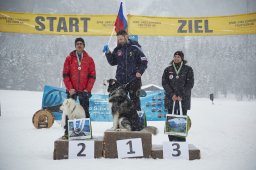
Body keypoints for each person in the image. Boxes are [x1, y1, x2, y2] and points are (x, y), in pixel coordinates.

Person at [102, 30, 147, 111]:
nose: (119, 41)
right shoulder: (117, 49)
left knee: (135, 103)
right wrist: (108, 53)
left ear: (126, 37)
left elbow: (144, 61)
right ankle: (122, 122)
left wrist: (140, 71)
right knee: (120, 104)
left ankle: (136, 122)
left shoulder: (135, 47)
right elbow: (112, 62)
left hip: (134, 80)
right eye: (118, 39)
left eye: (121, 39)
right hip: (121, 81)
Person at [62, 37, 96, 138]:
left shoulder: (89, 59)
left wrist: (87, 89)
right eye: (77, 44)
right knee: (69, 112)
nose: (79, 45)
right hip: (72, 90)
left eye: (81, 43)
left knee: (85, 111)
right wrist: (70, 88)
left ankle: (86, 132)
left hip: (84, 90)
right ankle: (68, 133)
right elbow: (65, 75)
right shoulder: (69, 58)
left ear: (84, 46)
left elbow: (92, 76)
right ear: (75, 46)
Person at [162, 51, 194, 142]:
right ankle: (171, 140)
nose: (176, 58)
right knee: (171, 120)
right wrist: (172, 94)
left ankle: (181, 140)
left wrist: (181, 95)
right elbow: (165, 83)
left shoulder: (188, 69)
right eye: (175, 56)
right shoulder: (168, 70)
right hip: (170, 99)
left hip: (183, 100)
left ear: (182, 58)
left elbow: (190, 84)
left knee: (181, 120)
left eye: (178, 57)